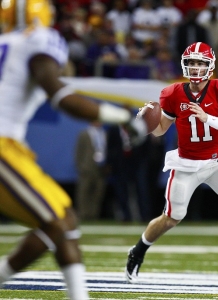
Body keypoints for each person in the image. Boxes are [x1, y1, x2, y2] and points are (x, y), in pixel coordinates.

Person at [0, 1, 131, 299]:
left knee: (65, 220)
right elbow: (60, 96)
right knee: (57, 224)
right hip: (2, 145)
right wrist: (122, 117)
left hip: (10, 146)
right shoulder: (36, 41)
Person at [125, 42, 218, 283]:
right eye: (191, 62)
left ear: (210, 66)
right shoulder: (173, 93)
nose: (195, 67)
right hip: (187, 164)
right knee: (171, 218)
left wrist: (208, 118)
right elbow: (161, 129)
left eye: (200, 62)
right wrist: (145, 124)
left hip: (216, 162)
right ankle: (137, 252)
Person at [74, 121, 109, 221]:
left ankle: (93, 214)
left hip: (100, 168)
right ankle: (83, 214)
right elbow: (78, 151)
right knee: (84, 191)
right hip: (87, 167)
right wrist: (80, 166)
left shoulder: (104, 134)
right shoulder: (84, 134)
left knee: (98, 192)